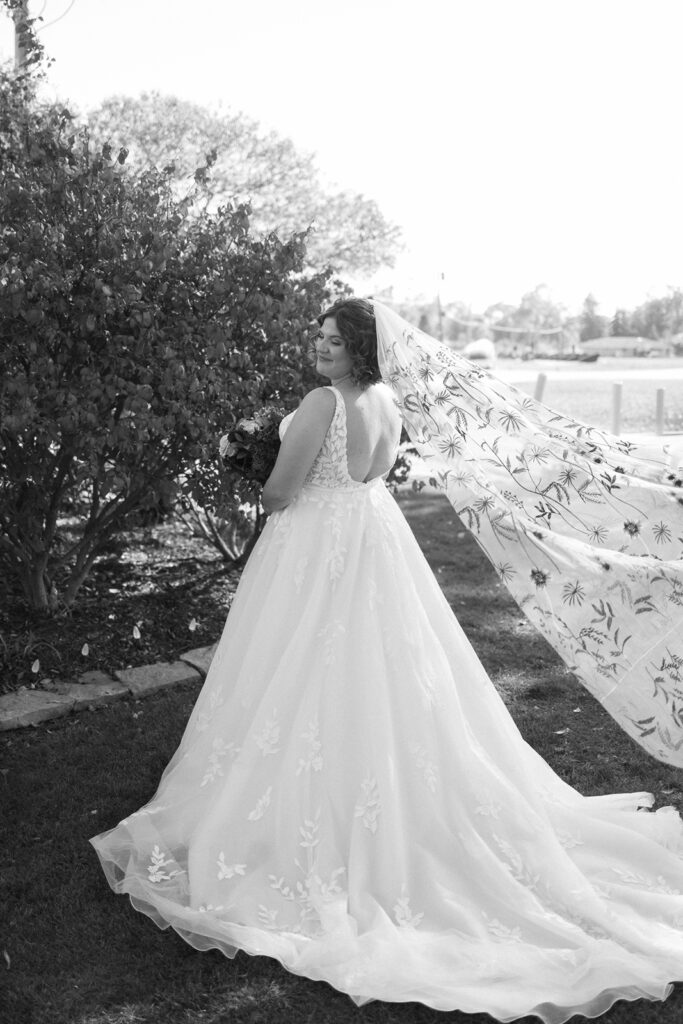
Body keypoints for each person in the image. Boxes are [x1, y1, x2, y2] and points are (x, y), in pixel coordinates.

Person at [91, 298, 683, 1024]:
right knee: (380, 664)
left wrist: (247, 460)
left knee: (298, 661)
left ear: (359, 349)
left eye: (332, 340)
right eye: (317, 337)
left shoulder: (319, 402)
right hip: (372, 537)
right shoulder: (388, 401)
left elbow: (282, 492)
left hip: (312, 543)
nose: (318, 348)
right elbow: (364, 474)